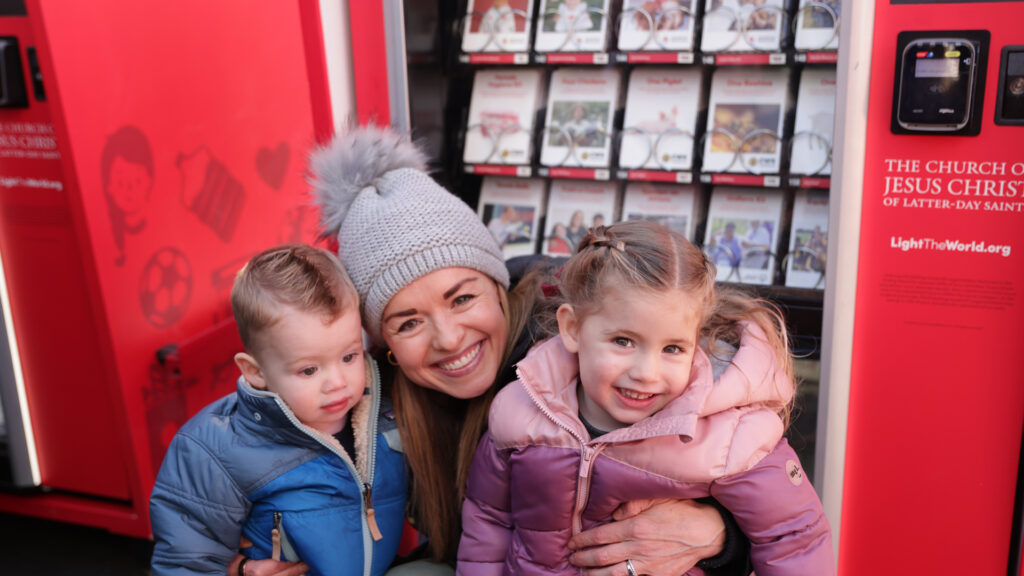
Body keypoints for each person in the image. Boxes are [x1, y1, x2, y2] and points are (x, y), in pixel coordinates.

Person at [240, 126, 753, 575]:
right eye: (408, 322)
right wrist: (250, 559)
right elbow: (251, 433)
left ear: (497, 283)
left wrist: (720, 534)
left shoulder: (586, 346)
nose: (447, 337)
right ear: (383, 344)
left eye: (462, 298)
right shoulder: (371, 399)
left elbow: (754, 460)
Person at [457, 221, 834, 575]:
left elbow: (794, 539)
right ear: (572, 328)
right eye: (623, 341)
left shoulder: (729, 435)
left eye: (672, 348)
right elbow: (488, 523)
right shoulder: (519, 413)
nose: (646, 373)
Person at [150, 244, 408, 576]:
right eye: (309, 370)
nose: (337, 383)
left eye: (349, 356)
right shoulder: (213, 451)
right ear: (256, 372)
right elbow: (184, 564)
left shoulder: (387, 416)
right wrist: (241, 571)